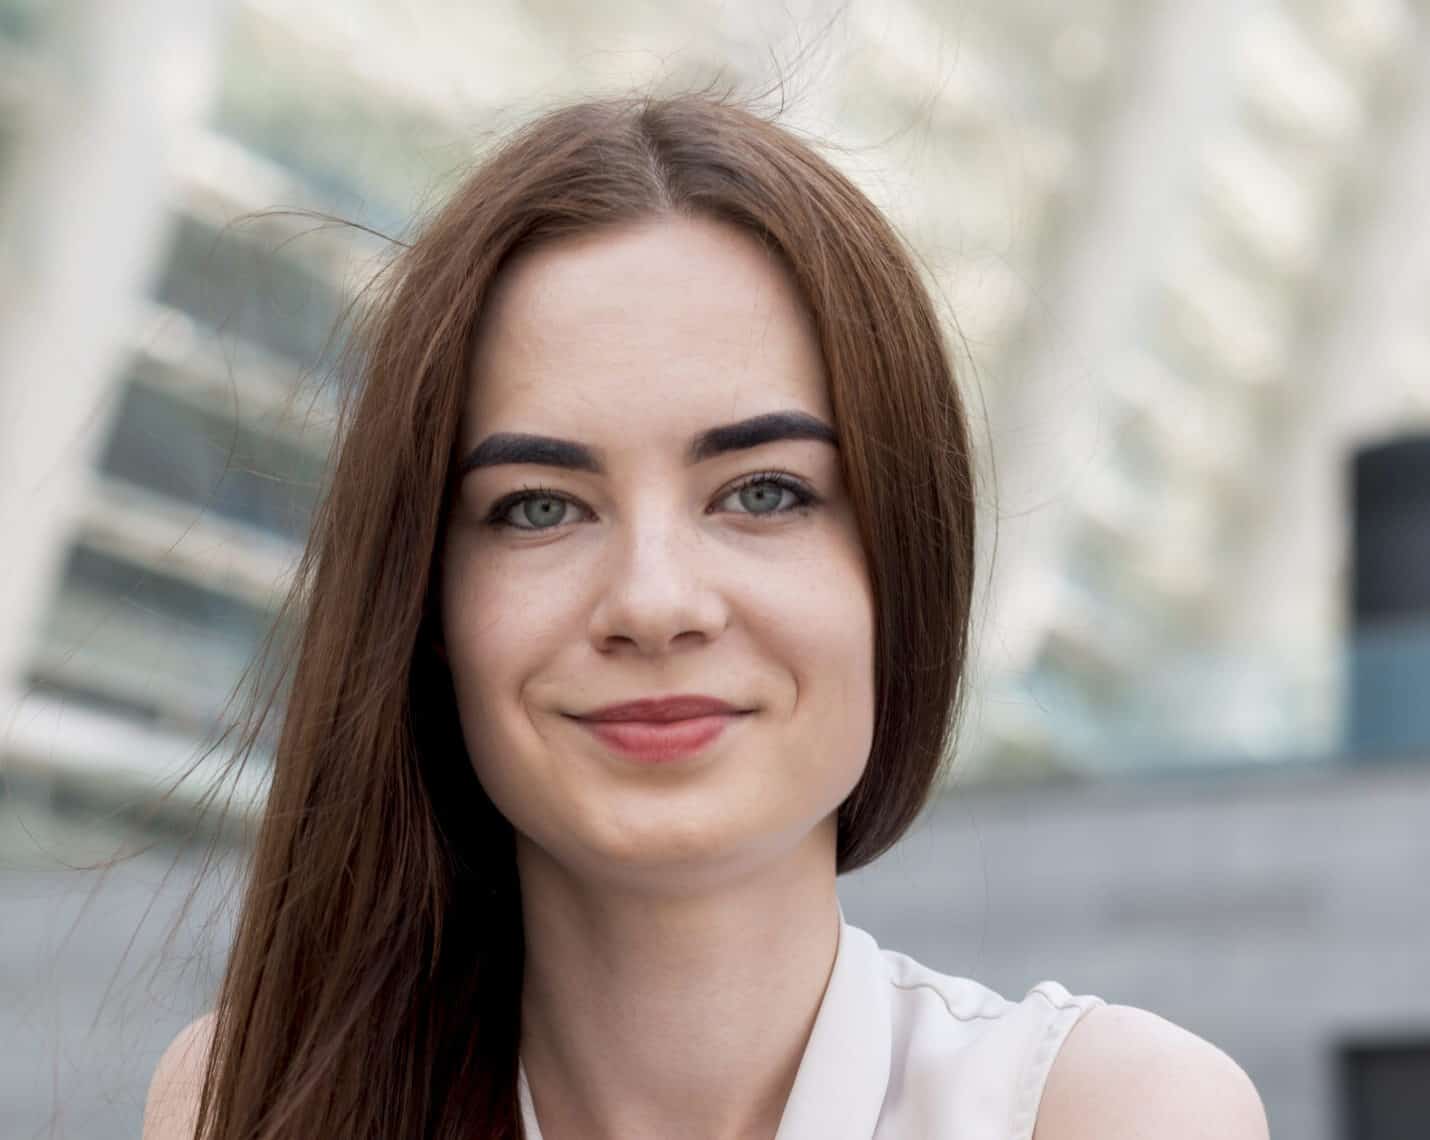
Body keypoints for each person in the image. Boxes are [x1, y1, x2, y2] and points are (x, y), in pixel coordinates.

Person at [141, 92, 1269, 1139]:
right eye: (539, 506)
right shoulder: (252, 1095)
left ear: (902, 568)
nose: (653, 603)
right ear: (426, 599)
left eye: (763, 493)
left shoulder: (1111, 1114)